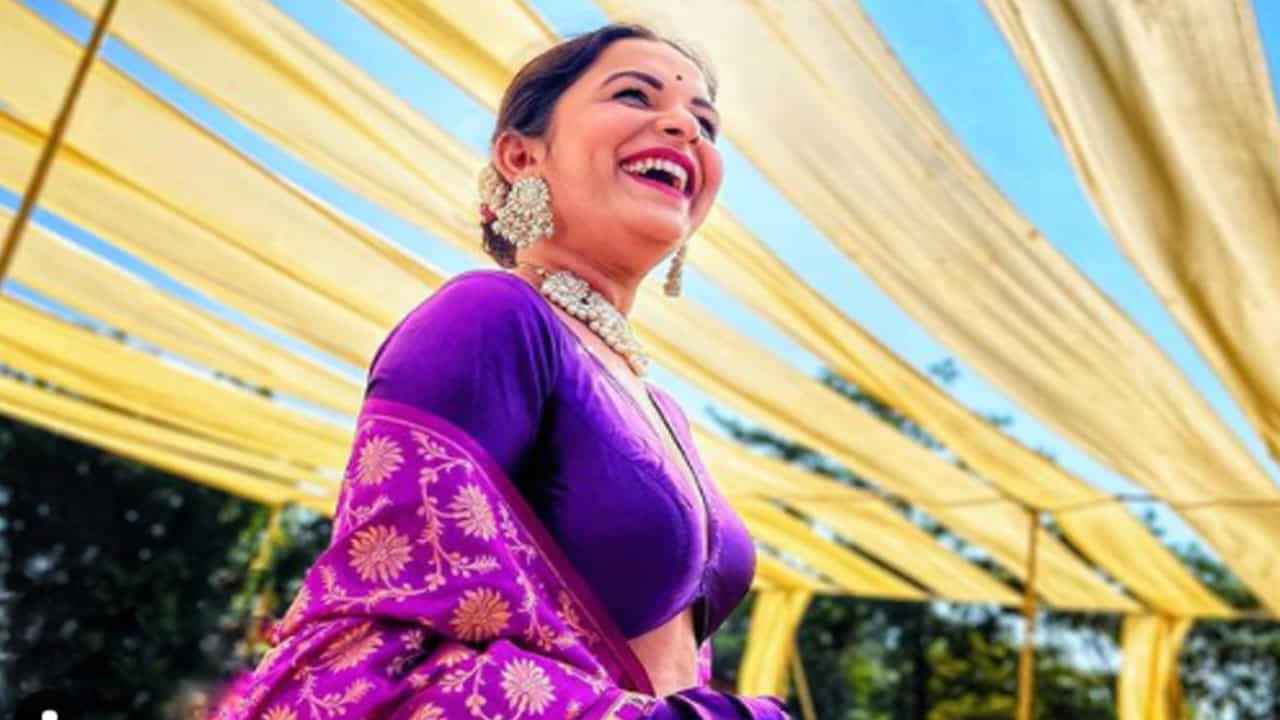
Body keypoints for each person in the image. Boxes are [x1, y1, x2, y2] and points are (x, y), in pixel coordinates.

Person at [218, 23, 792, 720]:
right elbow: (365, 657)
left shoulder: (661, 408)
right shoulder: (493, 317)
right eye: (635, 96)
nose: (684, 127)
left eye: (705, 121)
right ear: (522, 156)